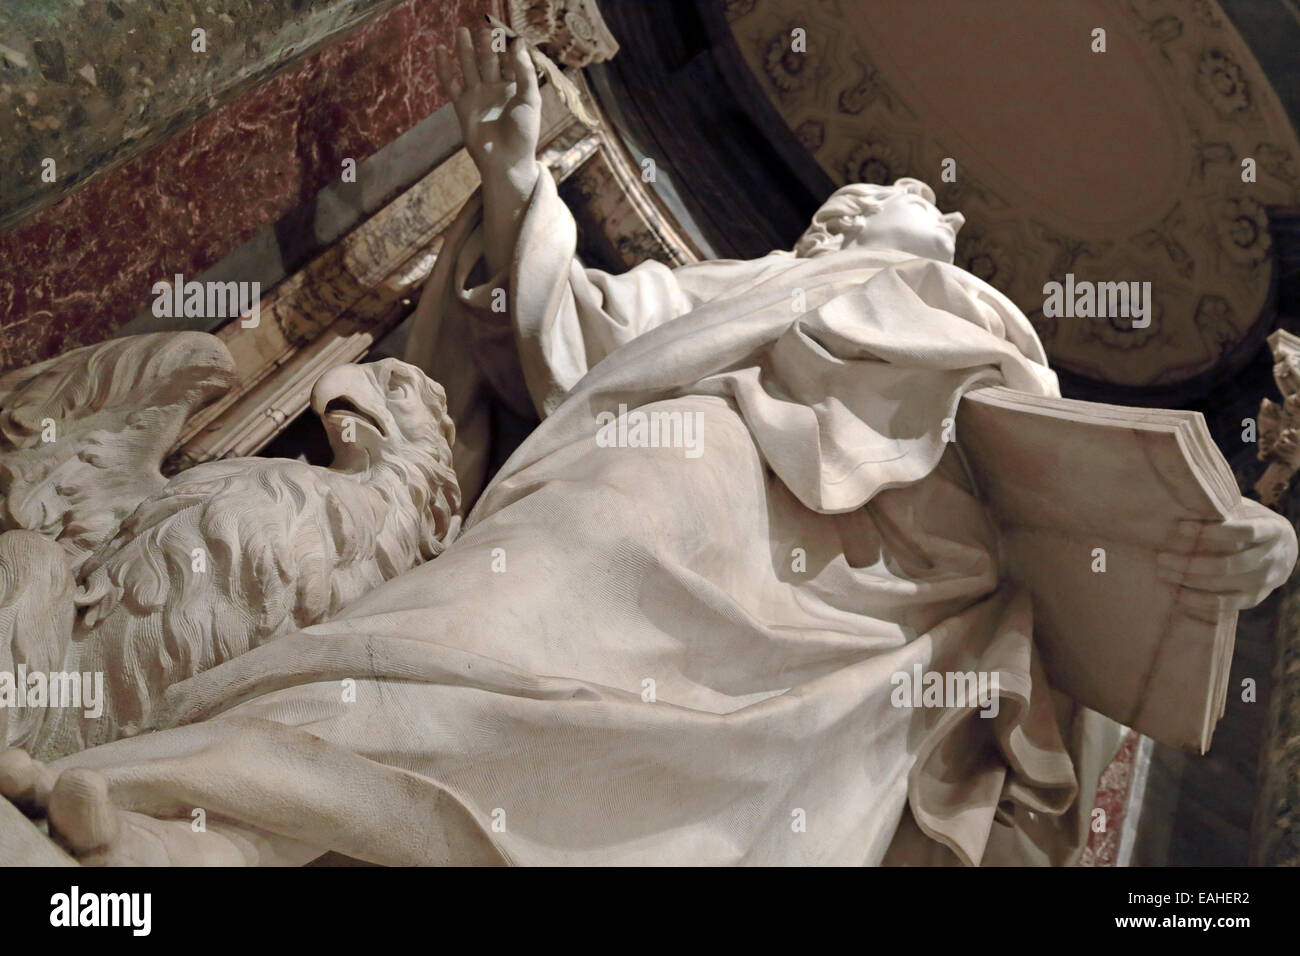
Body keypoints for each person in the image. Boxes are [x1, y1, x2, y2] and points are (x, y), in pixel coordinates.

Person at [1, 29, 1293, 866]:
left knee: (715, 821)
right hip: (669, 482)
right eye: (870, 200)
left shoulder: (988, 334)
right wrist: (515, 178)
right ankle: (201, 827)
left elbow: (1085, 502)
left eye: (909, 205)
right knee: (474, 653)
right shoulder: (753, 285)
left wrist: (1239, 541)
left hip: (869, 625)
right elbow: (578, 335)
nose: (898, 201)